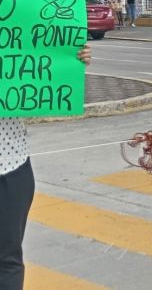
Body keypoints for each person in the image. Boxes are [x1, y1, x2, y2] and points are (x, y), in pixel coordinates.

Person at [1, 44, 92, 288]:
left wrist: (71, 59)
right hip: (12, 166)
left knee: (7, 260)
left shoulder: (15, 33)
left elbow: (44, 62)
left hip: (11, 167)